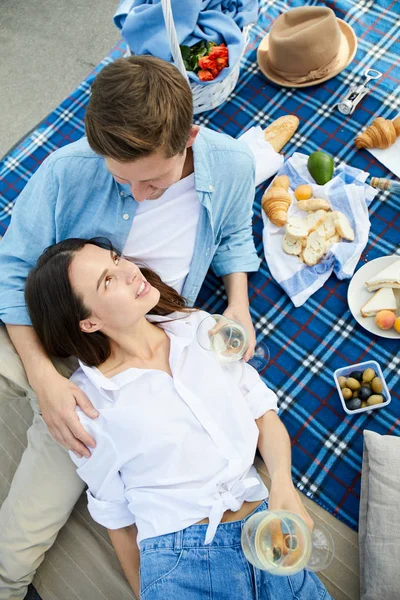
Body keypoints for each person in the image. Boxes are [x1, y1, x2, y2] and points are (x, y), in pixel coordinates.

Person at [0, 55, 261, 598]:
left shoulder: (233, 165)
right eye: (122, 181)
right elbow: (10, 272)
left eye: (152, 181)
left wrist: (239, 304)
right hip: (77, 338)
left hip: (160, 327)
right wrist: (47, 380)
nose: (137, 194)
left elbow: (236, 234)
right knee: (55, 473)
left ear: (189, 137)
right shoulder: (65, 171)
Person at [23, 237, 331, 600]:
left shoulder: (200, 328)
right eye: (107, 280)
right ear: (88, 322)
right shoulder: (85, 405)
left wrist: (283, 487)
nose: (129, 272)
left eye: (117, 258)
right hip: (180, 565)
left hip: (272, 534)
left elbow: (263, 414)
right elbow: (117, 519)